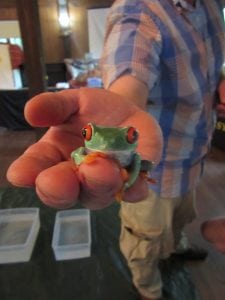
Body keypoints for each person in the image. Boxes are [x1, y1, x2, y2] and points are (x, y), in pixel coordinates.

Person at [6, 0, 225, 299]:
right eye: (89, 134)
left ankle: (177, 247)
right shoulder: (139, 11)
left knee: (183, 217)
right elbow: (129, 69)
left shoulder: (211, 4)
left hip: (194, 150)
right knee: (146, 238)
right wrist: (123, 104)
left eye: (129, 134)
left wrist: (218, 82)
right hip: (161, 164)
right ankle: (148, 289)